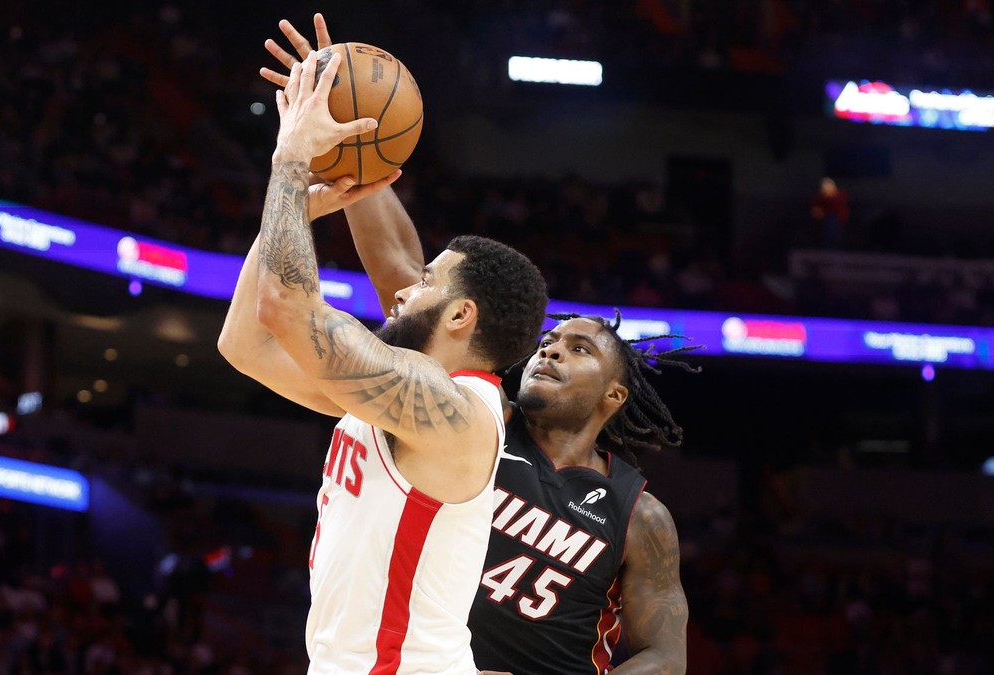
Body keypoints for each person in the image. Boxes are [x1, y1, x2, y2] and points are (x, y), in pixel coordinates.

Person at [259, 15, 695, 674]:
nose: (550, 350)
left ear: (615, 393)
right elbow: (412, 286)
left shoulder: (638, 514)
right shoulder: (471, 418)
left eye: (579, 349)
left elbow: (665, 655)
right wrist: (353, 143)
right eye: (550, 338)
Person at [217, 46, 550, 674]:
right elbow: (246, 346)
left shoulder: (455, 414)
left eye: (426, 280)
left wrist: (290, 159)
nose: (403, 288)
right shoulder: (393, 398)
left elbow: (285, 307)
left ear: (461, 316)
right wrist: (307, 205)